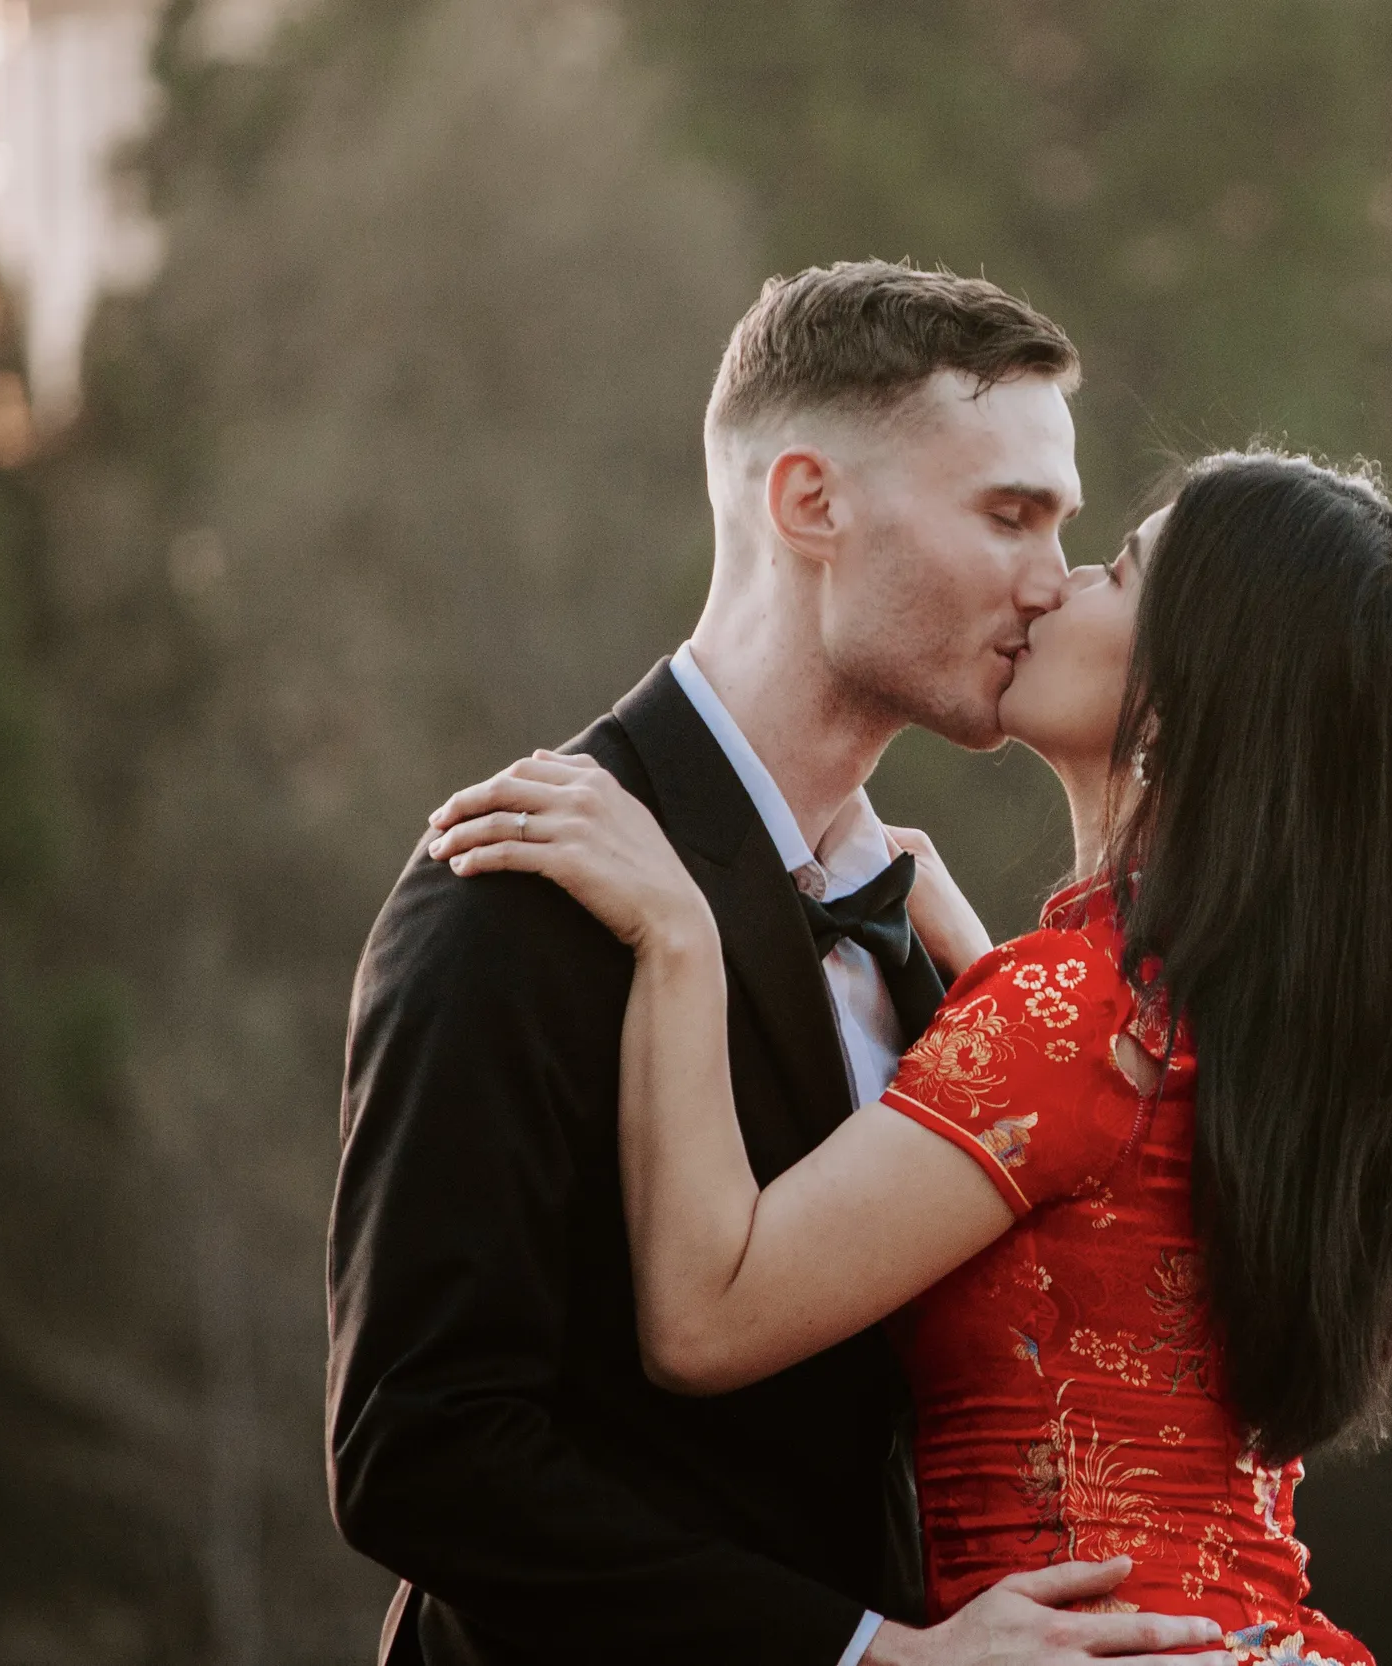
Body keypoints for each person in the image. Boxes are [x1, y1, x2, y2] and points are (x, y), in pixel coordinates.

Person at [425, 451, 1392, 1666]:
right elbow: (1106, 1246)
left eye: (1117, 569)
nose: (1055, 588)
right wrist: (983, 964)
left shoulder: (1071, 1010)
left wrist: (679, 935)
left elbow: (706, 1314)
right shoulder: (1241, 1016)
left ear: (1191, 694)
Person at [328, 262, 1234, 1666]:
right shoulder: (516, 891)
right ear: (811, 503)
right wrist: (863, 1652)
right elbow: (421, 1451)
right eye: (1008, 516)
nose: (1052, 580)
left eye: (1064, 527)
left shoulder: (940, 949)